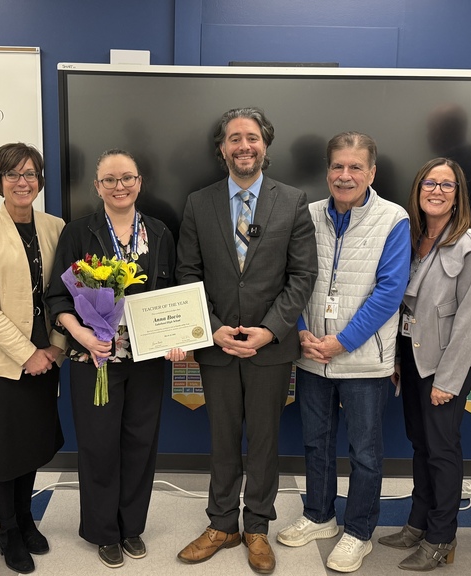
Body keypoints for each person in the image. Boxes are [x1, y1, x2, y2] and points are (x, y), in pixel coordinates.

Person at [175, 107, 317, 574]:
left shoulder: (293, 201)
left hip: (269, 349)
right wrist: (210, 327)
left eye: (252, 138)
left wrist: (270, 330)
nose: (244, 146)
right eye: (234, 138)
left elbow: (302, 276)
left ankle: (256, 526)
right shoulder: (199, 203)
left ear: (265, 146)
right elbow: (188, 274)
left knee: (263, 443)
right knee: (220, 441)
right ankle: (222, 525)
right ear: (222, 149)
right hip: (215, 345)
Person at [275, 132, 409, 573]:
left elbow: (390, 291)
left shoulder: (394, 219)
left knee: (365, 452)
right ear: (327, 171)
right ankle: (319, 516)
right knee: (316, 442)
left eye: (355, 167)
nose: (345, 175)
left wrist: (342, 341)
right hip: (311, 353)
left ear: (372, 172)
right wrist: (299, 331)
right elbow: (289, 278)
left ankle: (359, 532)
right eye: (337, 166)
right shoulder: (306, 214)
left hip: (364, 360)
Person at [44, 149, 184, 569]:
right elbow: (57, 296)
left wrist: (178, 337)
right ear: (97, 186)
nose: (119, 186)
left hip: (146, 361)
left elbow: (173, 295)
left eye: (127, 178)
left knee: (141, 443)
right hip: (95, 360)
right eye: (110, 179)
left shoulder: (159, 233)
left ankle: (131, 527)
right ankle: (104, 531)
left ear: (140, 182)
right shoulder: (78, 231)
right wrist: (83, 334)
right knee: (99, 444)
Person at [378, 158, 471, 571]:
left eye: (447, 185)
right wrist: (395, 359)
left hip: (447, 361)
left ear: (458, 194)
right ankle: (417, 523)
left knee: (442, 448)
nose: (437, 191)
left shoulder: (470, 245)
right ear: (418, 189)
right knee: (420, 442)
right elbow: (402, 305)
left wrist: (449, 378)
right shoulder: (412, 237)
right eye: (430, 183)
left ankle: (442, 538)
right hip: (413, 354)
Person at [0, 142, 66, 574]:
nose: (22, 182)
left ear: (40, 179)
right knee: (5, 448)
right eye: (12, 174)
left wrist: (56, 348)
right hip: (3, 361)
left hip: (48, 356)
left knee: (32, 443)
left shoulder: (56, 226)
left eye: (30, 174)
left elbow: (68, 292)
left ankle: (25, 518)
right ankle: (7, 529)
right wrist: (26, 354)